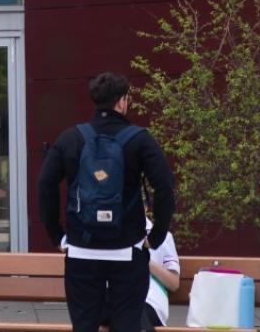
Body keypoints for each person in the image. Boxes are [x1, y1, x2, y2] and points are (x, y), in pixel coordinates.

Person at [37, 72, 176, 332]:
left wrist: (58, 236)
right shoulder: (140, 139)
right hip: (128, 251)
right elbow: (165, 187)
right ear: (122, 102)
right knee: (127, 325)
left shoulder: (71, 138)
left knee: (85, 326)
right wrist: (155, 237)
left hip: (81, 251)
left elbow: (45, 185)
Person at [141, 217, 179, 331]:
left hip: (149, 301)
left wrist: (142, 259)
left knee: (132, 312)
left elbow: (174, 283)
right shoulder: (110, 234)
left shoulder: (163, 236)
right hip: (115, 299)